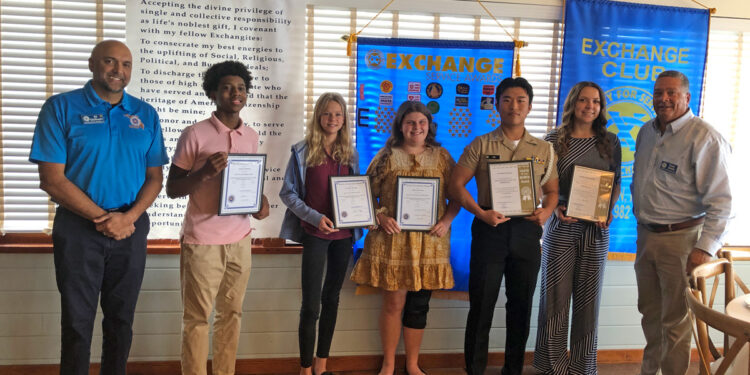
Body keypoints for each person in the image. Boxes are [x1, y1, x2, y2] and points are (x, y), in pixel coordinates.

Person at [29, 40, 168, 375]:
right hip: (78, 229)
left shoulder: (145, 114)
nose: (118, 71)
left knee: (121, 321)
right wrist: (105, 219)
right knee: (77, 322)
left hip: (131, 228)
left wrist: (128, 218)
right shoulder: (60, 108)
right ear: (92, 63)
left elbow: (155, 177)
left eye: (126, 64)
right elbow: (52, 179)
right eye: (109, 61)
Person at [449, 77, 559, 375]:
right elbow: (455, 185)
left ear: (530, 106)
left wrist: (547, 211)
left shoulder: (544, 149)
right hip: (489, 228)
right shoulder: (481, 143)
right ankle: (475, 369)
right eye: (507, 99)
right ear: (497, 104)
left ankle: (512, 370)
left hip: (526, 232)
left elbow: (552, 192)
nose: (514, 106)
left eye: (521, 100)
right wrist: (480, 214)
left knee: (520, 306)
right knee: (481, 306)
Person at [165, 60, 269, 375]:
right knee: (197, 319)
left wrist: (260, 203)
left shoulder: (251, 135)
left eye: (240, 88)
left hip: (240, 239)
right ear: (213, 93)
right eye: (226, 87)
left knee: (232, 314)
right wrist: (205, 172)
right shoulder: (194, 134)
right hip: (203, 241)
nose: (235, 93)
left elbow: (248, 184)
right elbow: (172, 189)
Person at [632, 70, 732, 375]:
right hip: (646, 237)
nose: (664, 99)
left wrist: (704, 250)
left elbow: (723, 203)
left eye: (672, 93)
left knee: (675, 323)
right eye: (659, 92)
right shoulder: (646, 133)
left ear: (687, 97)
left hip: (683, 240)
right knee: (650, 315)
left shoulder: (705, 138)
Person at [350, 100, 460, 375]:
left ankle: (412, 364)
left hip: (430, 243)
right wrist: (380, 216)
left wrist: (446, 221)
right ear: (401, 125)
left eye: (422, 122)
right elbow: (363, 195)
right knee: (393, 303)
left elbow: (458, 194)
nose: (417, 127)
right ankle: (388, 364)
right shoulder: (386, 156)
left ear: (429, 126)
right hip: (393, 242)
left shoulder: (443, 157)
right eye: (411, 122)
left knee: (419, 306)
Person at [532, 82, 621, 375]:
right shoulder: (554, 139)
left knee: (588, 301)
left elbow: (616, 181)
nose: (589, 106)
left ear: (601, 106)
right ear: (573, 103)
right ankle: (552, 368)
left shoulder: (610, 142)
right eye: (583, 100)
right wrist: (554, 205)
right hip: (562, 225)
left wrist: (607, 211)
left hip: (595, 230)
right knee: (555, 301)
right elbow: (542, 184)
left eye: (595, 101)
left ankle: (583, 369)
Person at [279, 92, 361, 375]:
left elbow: (357, 194)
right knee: (311, 304)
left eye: (338, 114)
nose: (332, 119)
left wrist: (364, 216)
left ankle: (321, 366)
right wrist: (316, 217)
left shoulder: (350, 154)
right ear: (318, 116)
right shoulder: (302, 151)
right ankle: (304, 368)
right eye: (327, 114)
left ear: (344, 119)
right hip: (314, 234)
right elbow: (287, 193)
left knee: (332, 300)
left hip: (342, 238)